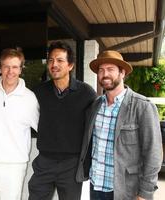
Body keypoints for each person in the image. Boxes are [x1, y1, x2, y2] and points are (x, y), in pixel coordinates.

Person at [76, 50, 163, 200]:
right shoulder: (94, 106)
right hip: (96, 186)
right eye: (101, 70)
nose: (105, 74)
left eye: (110, 69)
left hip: (126, 190)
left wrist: (145, 193)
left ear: (122, 73)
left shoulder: (142, 107)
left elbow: (153, 153)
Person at [28, 41, 97, 200]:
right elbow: (18, 105)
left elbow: (96, 125)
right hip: (44, 162)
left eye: (60, 60)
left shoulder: (86, 93)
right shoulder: (39, 92)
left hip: (71, 165)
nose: (54, 64)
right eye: (51, 60)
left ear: (70, 65)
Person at [0, 48, 39, 200]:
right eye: (6, 66)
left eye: (15, 67)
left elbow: (42, 128)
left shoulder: (30, 98)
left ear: (21, 69)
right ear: (0, 68)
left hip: (14, 165)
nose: (11, 71)